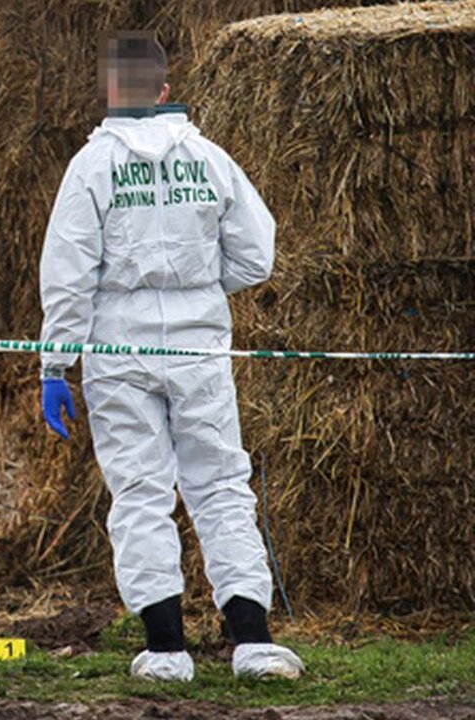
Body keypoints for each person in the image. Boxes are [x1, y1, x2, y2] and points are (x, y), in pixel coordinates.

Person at [38, 31, 303, 681]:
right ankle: (253, 642)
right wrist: (197, 289)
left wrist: (54, 363)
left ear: (108, 90)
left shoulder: (92, 167)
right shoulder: (210, 159)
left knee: (139, 491)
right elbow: (257, 256)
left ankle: (165, 650)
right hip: (197, 346)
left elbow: (69, 275)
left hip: (118, 349)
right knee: (219, 486)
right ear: (163, 90)